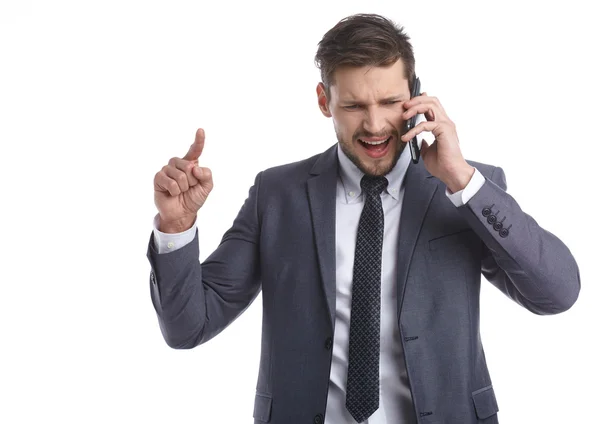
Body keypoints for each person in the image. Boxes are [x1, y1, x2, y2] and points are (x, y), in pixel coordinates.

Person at [146, 13, 580, 424]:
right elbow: (189, 327)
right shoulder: (276, 195)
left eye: (391, 101)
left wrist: (463, 180)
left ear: (416, 94)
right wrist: (176, 228)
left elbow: (557, 293)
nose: (375, 126)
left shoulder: (467, 189)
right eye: (354, 106)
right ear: (324, 101)